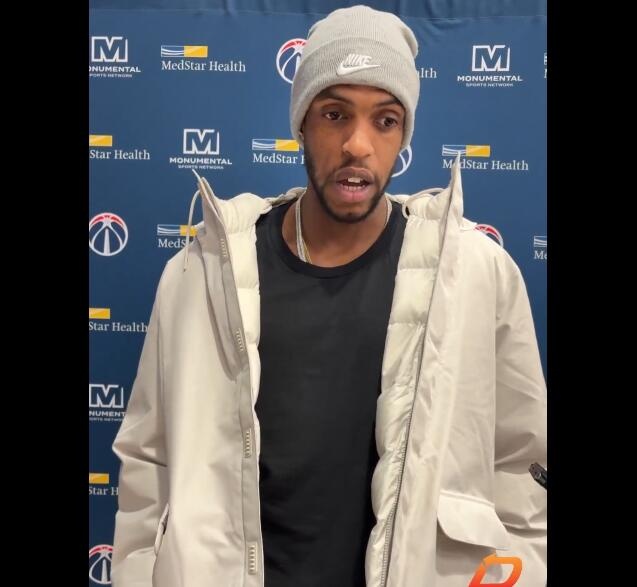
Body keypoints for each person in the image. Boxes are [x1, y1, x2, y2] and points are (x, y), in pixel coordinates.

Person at [111, 5, 547, 586]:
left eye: (385, 120)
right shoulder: (199, 275)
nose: (357, 145)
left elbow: (521, 463)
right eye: (334, 114)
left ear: (403, 135)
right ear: (301, 124)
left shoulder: (475, 272)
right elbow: (149, 461)